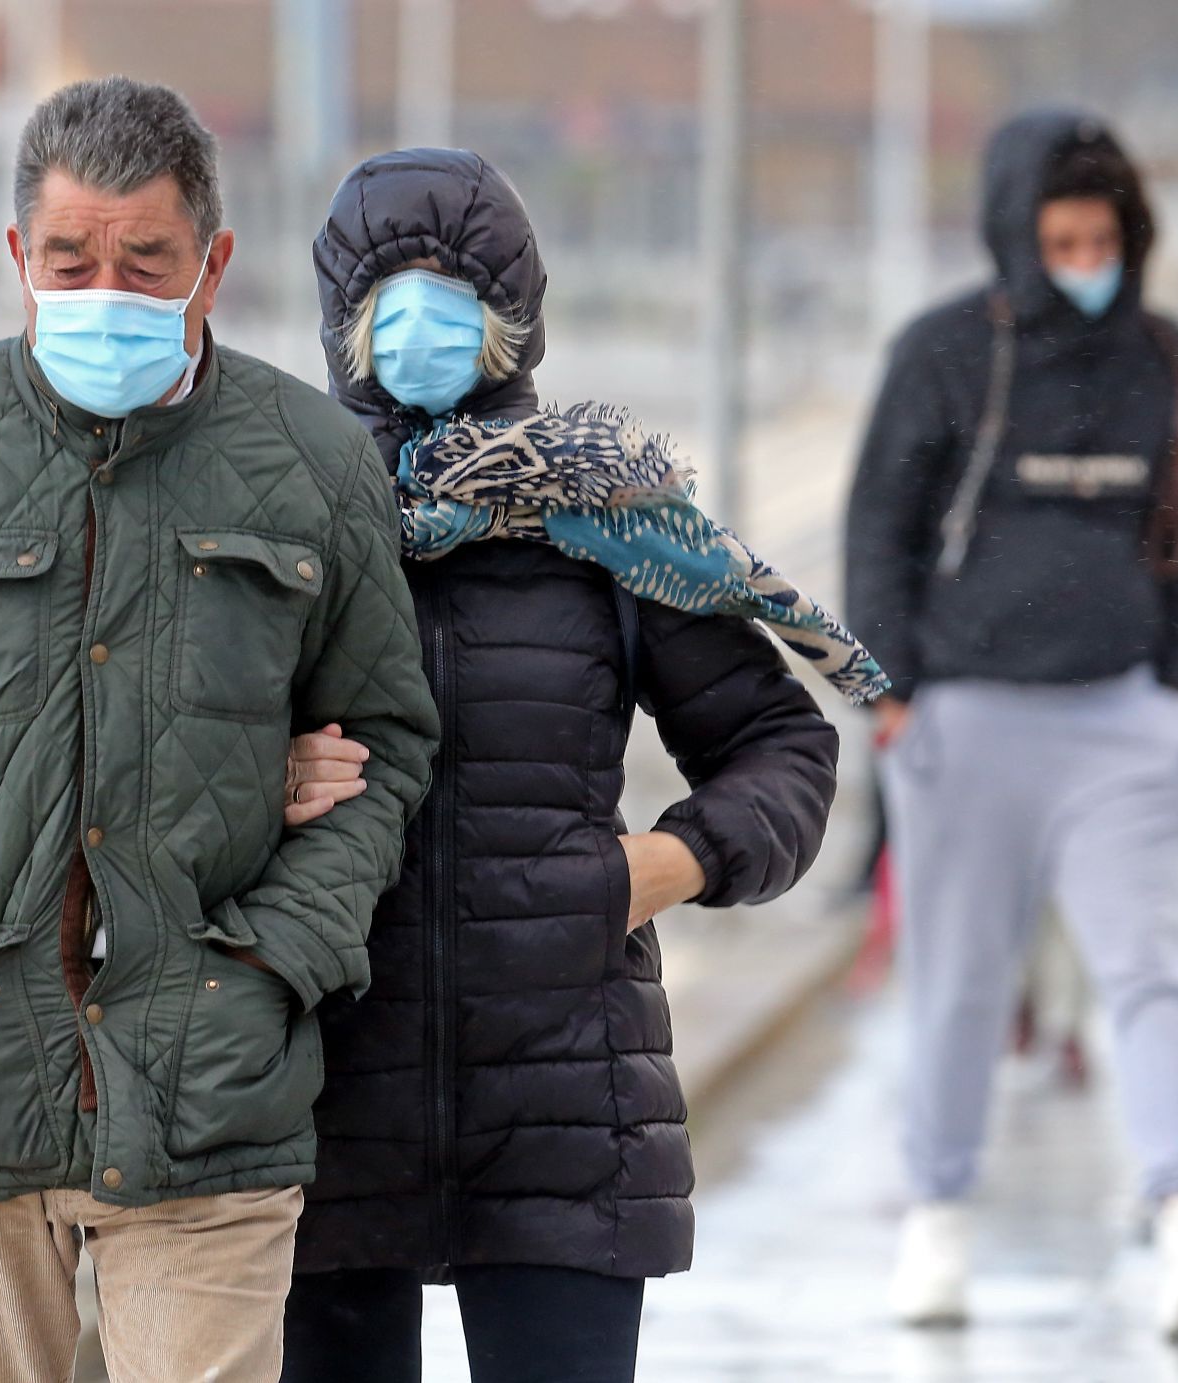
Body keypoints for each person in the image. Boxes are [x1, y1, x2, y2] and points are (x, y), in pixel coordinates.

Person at [0, 77, 439, 1382]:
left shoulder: (315, 463)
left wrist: (275, 959)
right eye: (70, 258)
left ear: (212, 263)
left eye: (144, 259)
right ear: (17, 258)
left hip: (215, 1087)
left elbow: (386, 740)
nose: (103, 286)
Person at [280, 148, 846, 1383]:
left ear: (512, 318)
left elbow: (783, 743)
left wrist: (673, 861)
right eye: (390, 292)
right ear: (342, 316)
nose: (420, 321)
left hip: (568, 1106)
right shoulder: (275, 521)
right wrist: (255, 783)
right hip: (317, 1093)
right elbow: (151, 757)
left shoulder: (601, 518)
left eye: (455, 289)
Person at [845, 108, 1178, 1338]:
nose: (1085, 260)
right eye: (1062, 239)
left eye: (1103, 237)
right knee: (961, 985)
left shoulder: (1164, 356)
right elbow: (880, 530)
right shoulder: (943, 352)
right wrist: (893, 697)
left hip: (1123, 721)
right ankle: (938, 1223)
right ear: (1016, 236)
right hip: (967, 724)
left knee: (1150, 973)